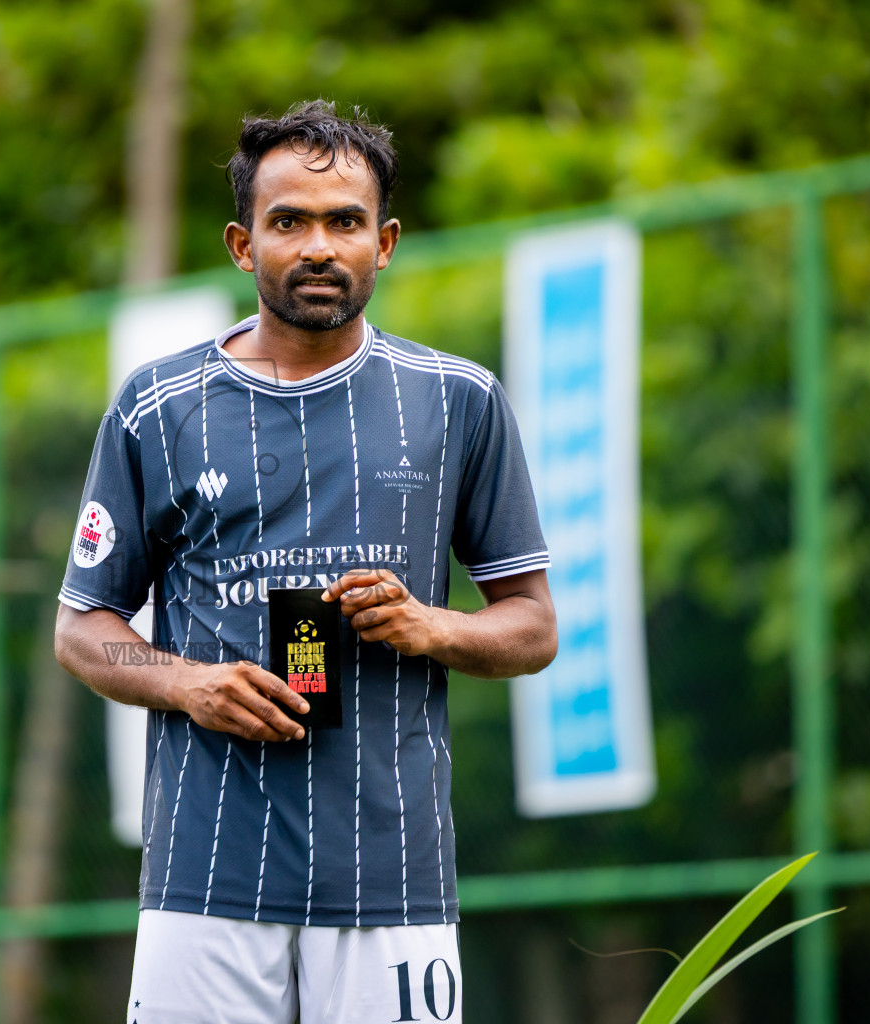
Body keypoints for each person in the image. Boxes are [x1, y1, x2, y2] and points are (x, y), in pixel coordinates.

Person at [54, 99, 558, 1023]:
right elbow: (83, 631)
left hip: (390, 880)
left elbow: (532, 626)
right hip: (202, 880)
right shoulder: (155, 406)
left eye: (345, 222)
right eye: (289, 221)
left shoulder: (459, 401)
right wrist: (188, 684)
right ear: (244, 245)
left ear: (387, 241)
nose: (319, 246)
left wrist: (429, 624)